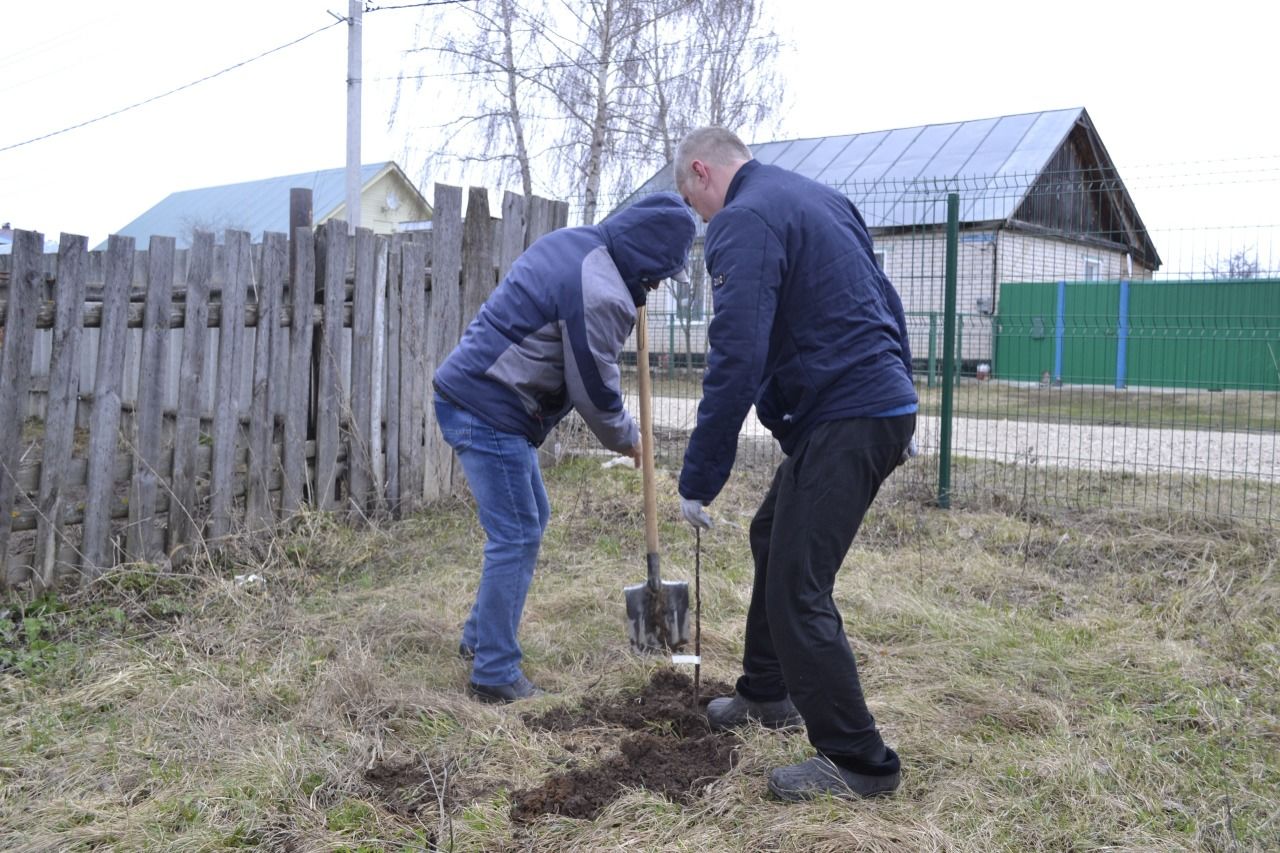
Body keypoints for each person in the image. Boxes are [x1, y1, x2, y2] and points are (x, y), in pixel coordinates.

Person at [673, 127, 917, 801]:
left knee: (798, 588)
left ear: (702, 170)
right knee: (771, 533)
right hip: (865, 406)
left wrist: (700, 475)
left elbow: (737, 356)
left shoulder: (743, 218)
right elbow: (884, 299)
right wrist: (902, 391)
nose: (700, 218)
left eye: (693, 202)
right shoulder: (818, 197)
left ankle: (860, 761)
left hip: (850, 412)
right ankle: (768, 692)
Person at [433, 192, 696, 704]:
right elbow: (593, 391)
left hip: (479, 395)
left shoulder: (575, 243)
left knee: (531, 519)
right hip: (488, 407)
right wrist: (628, 437)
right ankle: (495, 673)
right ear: (643, 256)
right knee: (516, 534)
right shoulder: (600, 291)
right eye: (660, 272)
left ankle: (479, 639)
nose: (660, 283)